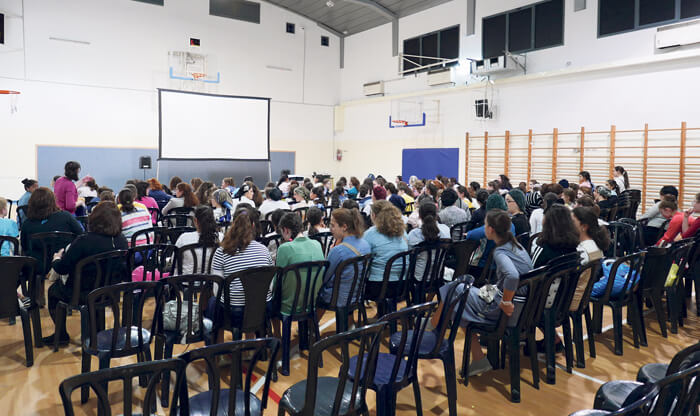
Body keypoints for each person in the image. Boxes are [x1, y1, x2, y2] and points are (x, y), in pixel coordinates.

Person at [437, 209, 532, 375]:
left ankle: (436, 330)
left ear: (490, 230)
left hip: (509, 309)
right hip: (522, 306)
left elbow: (512, 275)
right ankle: (476, 356)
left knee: (457, 291)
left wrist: (506, 301)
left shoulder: (500, 252)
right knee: (461, 293)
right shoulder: (517, 246)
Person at [46, 201, 127, 345]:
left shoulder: (84, 241)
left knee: (53, 291)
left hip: (81, 294)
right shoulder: (122, 240)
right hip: (109, 292)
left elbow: (62, 268)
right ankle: (97, 334)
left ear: (94, 218)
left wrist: (56, 259)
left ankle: (61, 334)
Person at [211, 206, 273, 328]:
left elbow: (216, 289)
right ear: (253, 226)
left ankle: (218, 343)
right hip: (262, 308)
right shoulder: (264, 250)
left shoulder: (221, 251)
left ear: (233, 225)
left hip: (234, 311)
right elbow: (270, 284)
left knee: (212, 302)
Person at [317, 208, 371, 312]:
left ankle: (312, 327)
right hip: (357, 294)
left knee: (314, 294)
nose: (330, 229)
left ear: (344, 227)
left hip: (337, 297)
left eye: (333, 225)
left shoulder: (338, 250)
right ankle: (350, 325)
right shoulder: (366, 244)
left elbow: (324, 277)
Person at [20, 187, 84, 268]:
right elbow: (81, 235)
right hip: (64, 263)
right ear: (53, 201)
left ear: (32, 203)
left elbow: (25, 247)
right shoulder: (66, 216)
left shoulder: (27, 224)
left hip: (38, 265)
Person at [275, 212, 325, 316]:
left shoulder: (284, 248)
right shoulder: (317, 244)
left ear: (286, 230)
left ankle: (276, 333)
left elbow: (277, 280)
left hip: (290, 305)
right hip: (313, 301)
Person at [363, 201, 408, 301]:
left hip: (378, 286)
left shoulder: (370, 234)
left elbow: (363, 257)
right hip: (403, 282)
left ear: (373, 215)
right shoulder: (403, 232)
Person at [174, 205, 220, 275]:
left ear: (195, 220)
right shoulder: (220, 237)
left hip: (185, 283)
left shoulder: (184, 238)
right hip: (212, 283)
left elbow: (174, 262)